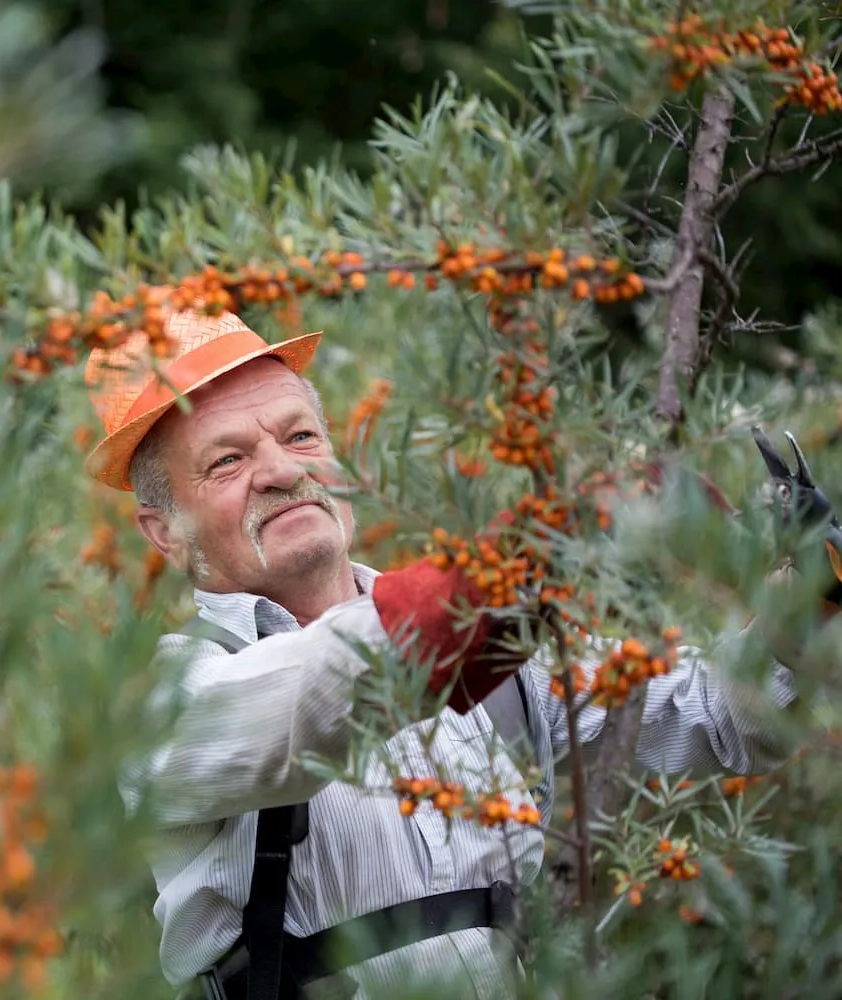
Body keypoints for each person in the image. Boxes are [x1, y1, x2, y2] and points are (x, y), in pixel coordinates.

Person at [83, 308, 801, 1000]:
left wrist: (808, 604)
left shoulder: (484, 637)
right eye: (228, 459)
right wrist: (506, 569)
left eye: (300, 437)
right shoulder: (157, 699)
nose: (279, 470)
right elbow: (306, 701)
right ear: (163, 532)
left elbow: (721, 715)